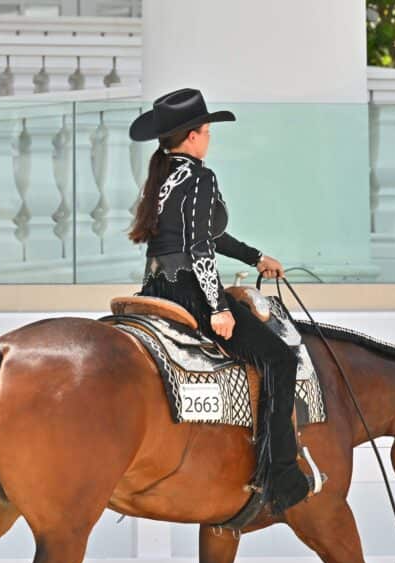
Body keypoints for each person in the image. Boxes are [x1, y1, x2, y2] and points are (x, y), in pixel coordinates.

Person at [128, 87, 314, 513]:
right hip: (191, 293)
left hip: (156, 287)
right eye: (207, 132)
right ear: (192, 136)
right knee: (280, 360)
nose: (210, 139)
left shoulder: (164, 175)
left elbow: (209, 235)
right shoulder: (199, 175)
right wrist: (218, 308)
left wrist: (256, 257)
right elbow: (198, 249)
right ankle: (279, 471)